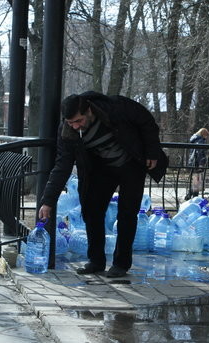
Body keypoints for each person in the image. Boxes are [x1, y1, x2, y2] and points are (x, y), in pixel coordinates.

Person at [38, 91, 168, 278]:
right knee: (92, 210)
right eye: (70, 122)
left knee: (127, 213)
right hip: (101, 169)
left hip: (131, 163)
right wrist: (48, 201)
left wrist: (152, 152)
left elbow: (146, 121)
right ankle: (96, 261)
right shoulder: (67, 132)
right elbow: (62, 166)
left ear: (88, 110)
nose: (76, 126)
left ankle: (121, 264)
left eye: (79, 121)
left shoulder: (115, 107)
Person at [185, 127, 209, 200]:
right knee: (198, 180)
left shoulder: (194, 139)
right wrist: (201, 163)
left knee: (195, 179)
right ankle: (194, 196)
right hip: (197, 162)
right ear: (204, 134)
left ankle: (190, 195)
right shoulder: (200, 140)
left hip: (192, 161)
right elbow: (199, 152)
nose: (207, 137)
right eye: (206, 135)